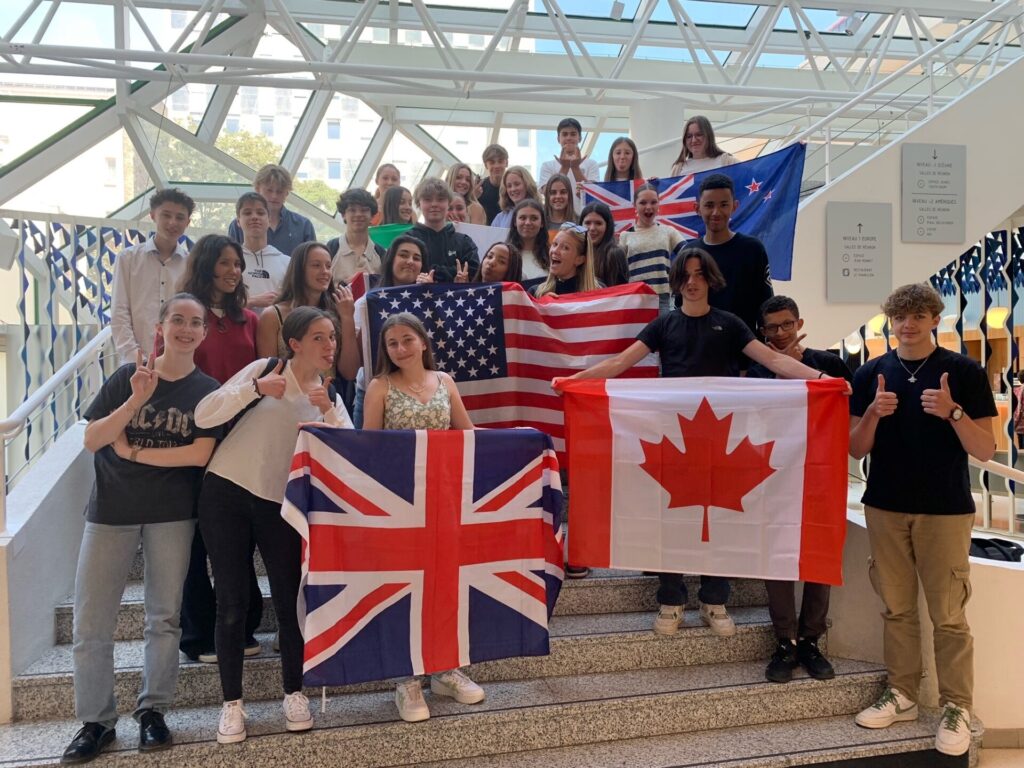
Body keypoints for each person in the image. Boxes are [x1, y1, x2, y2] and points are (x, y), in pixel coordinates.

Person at [554, 249, 834, 639]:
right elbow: (619, 364)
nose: (692, 281)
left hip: (721, 441)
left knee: (721, 519)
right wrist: (574, 382)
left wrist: (822, 379)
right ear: (676, 281)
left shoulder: (731, 324)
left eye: (700, 274)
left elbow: (776, 362)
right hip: (675, 439)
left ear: (711, 279)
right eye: (685, 275)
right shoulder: (663, 325)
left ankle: (714, 600)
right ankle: (671, 599)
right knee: (671, 518)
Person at [61, 294, 221, 764]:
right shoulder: (128, 377)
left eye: (195, 323)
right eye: (178, 320)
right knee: (91, 622)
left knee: (163, 617)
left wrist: (132, 452)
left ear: (204, 333)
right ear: (160, 326)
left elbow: (199, 454)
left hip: (172, 513)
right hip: (111, 510)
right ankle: (96, 722)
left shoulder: (207, 389)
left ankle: (153, 711)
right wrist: (136, 399)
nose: (186, 329)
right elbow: (94, 439)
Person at [195, 307, 354, 745]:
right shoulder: (267, 369)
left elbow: (350, 454)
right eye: (319, 337)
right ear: (295, 343)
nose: (329, 345)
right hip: (226, 492)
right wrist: (254, 388)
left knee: (289, 601)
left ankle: (294, 694)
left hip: (282, 506)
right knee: (232, 602)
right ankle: (232, 704)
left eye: (333, 337)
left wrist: (329, 413)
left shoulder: (329, 395)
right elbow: (204, 415)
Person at [849, 283, 995, 757]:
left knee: (949, 615)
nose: (907, 325)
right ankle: (903, 693)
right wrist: (873, 413)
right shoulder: (871, 372)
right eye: (899, 317)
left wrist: (953, 412)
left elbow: (985, 449)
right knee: (896, 608)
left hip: (945, 509)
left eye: (917, 316)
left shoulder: (964, 371)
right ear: (890, 322)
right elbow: (855, 448)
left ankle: (957, 706)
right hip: (885, 506)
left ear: (935, 319)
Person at [362, 312, 482, 722]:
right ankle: (406, 678)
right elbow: (370, 450)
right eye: (392, 343)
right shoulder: (379, 386)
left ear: (423, 342)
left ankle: (445, 668)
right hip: (399, 504)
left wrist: (519, 442)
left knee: (445, 582)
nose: (401, 348)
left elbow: (467, 433)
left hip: (445, 500)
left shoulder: (445, 381)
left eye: (407, 339)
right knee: (403, 587)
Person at [746, 295, 852, 684]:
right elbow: (752, 421)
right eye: (771, 327)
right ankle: (784, 641)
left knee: (820, 553)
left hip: (821, 474)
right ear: (762, 331)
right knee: (776, 557)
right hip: (772, 475)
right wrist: (781, 370)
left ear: (800, 323)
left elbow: (849, 411)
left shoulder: (829, 364)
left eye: (786, 324)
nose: (779, 333)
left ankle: (810, 640)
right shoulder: (756, 371)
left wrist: (803, 368)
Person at [175, 236, 263, 666]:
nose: (234, 271)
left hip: (241, 440)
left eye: (238, 264)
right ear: (206, 265)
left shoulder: (249, 320)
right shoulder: (186, 317)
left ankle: (243, 626)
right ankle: (198, 633)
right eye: (225, 263)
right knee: (195, 542)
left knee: (238, 538)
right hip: (194, 439)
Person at [345, 235, 433, 428]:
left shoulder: (432, 301)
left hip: (421, 394)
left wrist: (429, 297)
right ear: (391, 259)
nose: (410, 261)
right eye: (404, 255)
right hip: (372, 394)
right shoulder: (367, 302)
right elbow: (352, 366)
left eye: (417, 258)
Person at [110, 188, 194, 364]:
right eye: (166, 215)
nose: (172, 222)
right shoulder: (128, 258)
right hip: (135, 361)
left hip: (177, 362)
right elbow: (119, 311)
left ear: (187, 222)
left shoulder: (191, 264)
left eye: (180, 217)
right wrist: (134, 357)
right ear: (153, 215)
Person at [688, 173, 772, 336]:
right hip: (701, 345)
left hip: (746, 346)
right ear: (697, 208)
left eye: (724, 205)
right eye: (709, 205)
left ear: (735, 206)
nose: (716, 212)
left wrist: (767, 345)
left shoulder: (753, 249)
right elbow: (680, 308)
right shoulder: (689, 253)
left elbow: (767, 305)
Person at [258, 242, 357, 366]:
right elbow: (266, 370)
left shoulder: (338, 312)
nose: (325, 271)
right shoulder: (272, 316)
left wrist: (347, 318)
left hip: (328, 379)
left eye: (328, 266)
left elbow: (350, 371)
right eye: (316, 265)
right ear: (299, 270)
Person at [619, 183, 684, 313]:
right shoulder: (625, 236)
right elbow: (618, 270)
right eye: (643, 202)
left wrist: (676, 280)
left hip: (662, 300)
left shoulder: (668, 231)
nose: (648, 207)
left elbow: (688, 253)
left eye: (653, 202)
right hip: (635, 299)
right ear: (635, 205)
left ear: (659, 204)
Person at [228, 164, 316, 257]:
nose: (274, 196)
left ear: (287, 193)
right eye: (269, 190)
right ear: (257, 189)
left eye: (279, 191)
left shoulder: (303, 226)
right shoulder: (238, 226)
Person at [407, 177, 479, 283]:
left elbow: (474, 274)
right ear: (419, 203)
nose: (434, 204)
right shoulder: (407, 240)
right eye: (428, 199)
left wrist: (429, 271)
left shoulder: (465, 243)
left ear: (448, 203)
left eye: (440, 199)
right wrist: (453, 273)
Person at [235, 192, 289, 312]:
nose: (254, 217)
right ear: (238, 221)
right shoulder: (230, 262)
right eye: (247, 213)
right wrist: (251, 301)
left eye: (260, 213)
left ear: (269, 220)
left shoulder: (287, 262)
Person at [326, 188, 385, 285]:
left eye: (364, 210)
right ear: (343, 215)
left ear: (372, 216)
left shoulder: (380, 253)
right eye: (352, 210)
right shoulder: (332, 248)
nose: (358, 214)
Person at [538, 117, 599, 204]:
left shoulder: (592, 164)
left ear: (580, 138)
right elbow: (546, 193)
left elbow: (592, 194)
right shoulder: (547, 166)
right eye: (564, 134)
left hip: (584, 212)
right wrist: (565, 167)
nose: (569, 138)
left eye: (573, 134)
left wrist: (575, 168)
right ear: (558, 139)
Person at [533, 222, 601, 298]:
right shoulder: (535, 293)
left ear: (580, 260)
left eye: (565, 248)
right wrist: (543, 302)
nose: (555, 251)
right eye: (555, 244)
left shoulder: (599, 292)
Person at [580, 202, 628, 287]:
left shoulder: (614, 254)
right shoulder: (574, 253)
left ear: (608, 226)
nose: (592, 228)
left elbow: (621, 291)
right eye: (587, 223)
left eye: (598, 223)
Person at [670, 115, 737, 176]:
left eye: (699, 135)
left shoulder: (727, 161)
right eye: (689, 136)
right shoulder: (678, 168)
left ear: (709, 136)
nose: (694, 140)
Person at [507, 199, 549, 282]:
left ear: (542, 223)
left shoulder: (552, 255)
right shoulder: (505, 255)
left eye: (534, 218)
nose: (528, 223)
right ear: (515, 222)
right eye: (522, 218)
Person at [478, 144, 508, 224]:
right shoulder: (479, 188)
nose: (496, 166)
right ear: (486, 165)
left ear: (506, 163)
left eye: (500, 161)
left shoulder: (513, 188)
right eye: (492, 162)